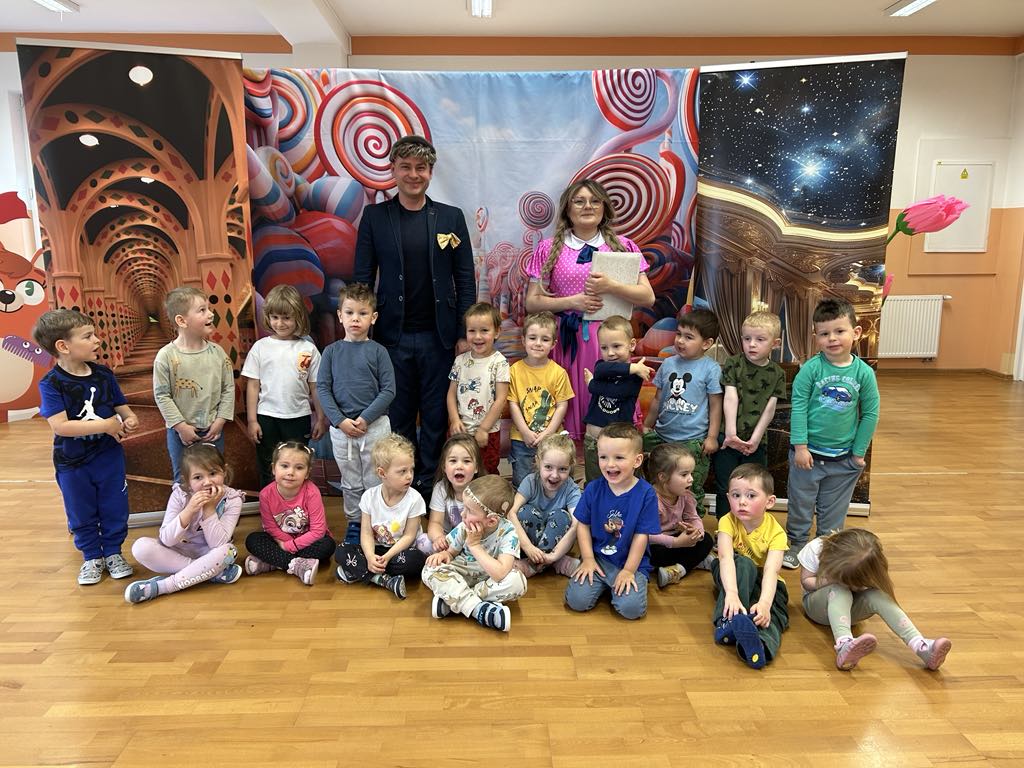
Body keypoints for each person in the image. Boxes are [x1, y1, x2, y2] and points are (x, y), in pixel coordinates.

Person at [353, 135, 475, 495]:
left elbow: (464, 279)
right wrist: (361, 332)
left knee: (436, 414)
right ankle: (403, 485)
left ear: (430, 172)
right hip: (391, 336)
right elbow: (362, 278)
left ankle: (431, 485)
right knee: (400, 415)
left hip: (440, 336)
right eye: (405, 167)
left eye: (420, 167)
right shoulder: (375, 217)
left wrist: (463, 333)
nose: (413, 174)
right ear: (393, 170)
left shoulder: (451, 217)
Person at [523, 179, 655, 440]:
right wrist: (573, 302)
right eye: (579, 201)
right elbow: (532, 303)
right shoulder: (548, 248)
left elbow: (648, 297)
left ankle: (609, 457)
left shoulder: (623, 246)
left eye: (595, 201)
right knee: (568, 403)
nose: (588, 206)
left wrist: (611, 286)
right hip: (566, 340)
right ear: (567, 208)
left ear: (604, 208)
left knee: (607, 402)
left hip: (607, 340)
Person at [34, 309, 138, 585]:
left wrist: (129, 418)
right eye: (88, 336)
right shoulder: (51, 383)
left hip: (109, 456)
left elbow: (120, 405)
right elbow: (61, 426)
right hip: (72, 462)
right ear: (63, 346)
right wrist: (106, 425)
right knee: (81, 510)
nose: (97, 340)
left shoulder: (103, 374)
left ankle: (113, 553)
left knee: (114, 506)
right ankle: (92, 556)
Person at [783, 298, 880, 569]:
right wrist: (800, 447)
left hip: (843, 459)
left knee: (834, 510)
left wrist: (858, 453)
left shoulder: (864, 373)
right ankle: (797, 544)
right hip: (807, 457)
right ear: (816, 337)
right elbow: (798, 407)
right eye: (824, 333)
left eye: (839, 331)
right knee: (801, 503)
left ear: (856, 332)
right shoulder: (810, 370)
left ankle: (825, 548)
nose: (832, 338)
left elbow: (870, 413)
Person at [799, 528, 951, 671]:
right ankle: (843, 644)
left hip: (849, 609)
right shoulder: (815, 549)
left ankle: (921, 647)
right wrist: (834, 580)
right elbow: (806, 581)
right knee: (840, 590)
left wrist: (859, 586)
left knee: (878, 595)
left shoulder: (867, 562)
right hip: (819, 606)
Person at [318, 283, 396, 538]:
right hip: (342, 429)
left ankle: (377, 523)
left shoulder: (379, 352)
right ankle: (354, 523)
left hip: (375, 427)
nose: (355, 319)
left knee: (375, 478)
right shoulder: (330, 352)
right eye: (349, 312)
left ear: (373, 317)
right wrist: (340, 421)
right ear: (340, 315)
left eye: (362, 313)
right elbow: (323, 389)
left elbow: (388, 390)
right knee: (351, 481)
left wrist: (365, 418)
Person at [565, 423, 660, 620]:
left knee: (631, 610)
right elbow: (582, 525)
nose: (610, 464)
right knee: (576, 601)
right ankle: (606, 586)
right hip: (598, 559)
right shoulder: (592, 489)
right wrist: (588, 559)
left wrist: (628, 571)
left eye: (619, 458)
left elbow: (641, 536)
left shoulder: (646, 494)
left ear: (637, 460)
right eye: (603, 457)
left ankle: (618, 587)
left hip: (630, 562)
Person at [125, 444, 243, 603]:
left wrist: (209, 509)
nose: (207, 482)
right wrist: (189, 510)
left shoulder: (233, 499)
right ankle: (210, 573)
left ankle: (163, 587)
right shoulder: (179, 495)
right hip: (180, 552)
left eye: (213, 473)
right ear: (187, 481)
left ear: (224, 471)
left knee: (229, 551)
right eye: (198, 477)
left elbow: (218, 544)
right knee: (140, 547)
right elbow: (166, 540)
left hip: (211, 553)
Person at [242, 284, 327, 489]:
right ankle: (269, 507)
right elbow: (253, 386)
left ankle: (295, 505)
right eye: (275, 317)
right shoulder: (260, 347)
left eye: (286, 317)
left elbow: (316, 387)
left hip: (298, 417)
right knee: (268, 466)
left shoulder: (308, 349)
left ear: (298, 316)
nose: (280, 323)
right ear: (268, 317)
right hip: (266, 417)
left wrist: (321, 418)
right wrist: (252, 420)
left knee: (297, 465)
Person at [642, 308, 723, 518]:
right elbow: (658, 398)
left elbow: (716, 405)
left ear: (706, 343)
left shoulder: (711, 368)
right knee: (657, 482)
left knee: (690, 488)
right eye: (679, 334)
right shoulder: (668, 363)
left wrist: (712, 437)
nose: (680, 341)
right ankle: (659, 521)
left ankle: (692, 525)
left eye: (689, 337)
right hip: (662, 436)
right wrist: (647, 425)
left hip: (692, 441)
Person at [422, 475, 527, 632]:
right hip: (462, 572)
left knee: (518, 582)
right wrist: (444, 555)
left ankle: (454, 601)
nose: (463, 514)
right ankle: (478, 609)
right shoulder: (464, 526)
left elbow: (500, 573)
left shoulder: (509, 533)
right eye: (464, 507)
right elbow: (451, 553)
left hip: (488, 579)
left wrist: (475, 545)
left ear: (491, 521)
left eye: (469, 510)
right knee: (429, 569)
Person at [153, 287, 234, 485]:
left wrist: (220, 420)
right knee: (184, 480)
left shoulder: (218, 353)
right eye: (202, 310)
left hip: (213, 430)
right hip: (179, 433)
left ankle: (215, 507)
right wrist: (181, 427)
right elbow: (162, 395)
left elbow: (228, 388)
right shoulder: (165, 356)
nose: (211, 314)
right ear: (182, 321)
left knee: (215, 475)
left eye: (209, 308)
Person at [712, 463, 789, 669]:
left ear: (769, 501)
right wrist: (731, 593)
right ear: (728, 498)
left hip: (765, 580)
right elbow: (725, 558)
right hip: (733, 573)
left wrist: (764, 604)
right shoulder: (727, 521)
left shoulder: (777, 534)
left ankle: (760, 646)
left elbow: (771, 571)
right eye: (735, 495)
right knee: (744, 564)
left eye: (751, 496)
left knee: (772, 612)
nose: (742, 502)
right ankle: (727, 621)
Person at [712, 310, 786, 519]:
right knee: (725, 486)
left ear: (775, 343)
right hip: (728, 438)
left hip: (756, 442)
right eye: (747, 339)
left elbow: (770, 409)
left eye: (760, 339)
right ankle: (724, 528)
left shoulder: (778, 373)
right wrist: (731, 434)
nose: (752, 344)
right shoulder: (734, 363)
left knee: (754, 487)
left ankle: (749, 526)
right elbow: (730, 397)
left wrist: (755, 440)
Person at [334, 434, 428, 599]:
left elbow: (409, 536)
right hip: (375, 549)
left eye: (411, 469)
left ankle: (359, 573)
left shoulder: (415, 499)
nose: (409, 476)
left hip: (399, 552)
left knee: (416, 561)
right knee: (341, 551)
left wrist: (387, 557)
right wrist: (370, 556)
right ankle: (384, 580)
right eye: (402, 471)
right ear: (382, 473)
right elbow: (366, 533)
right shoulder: (369, 497)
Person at [244, 441, 335, 585]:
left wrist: (289, 546)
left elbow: (318, 530)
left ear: (307, 473)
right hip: (280, 540)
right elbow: (270, 528)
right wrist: (285, 542)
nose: (290, 472)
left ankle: (273, 562)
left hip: (306, 541)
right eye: (284, 466)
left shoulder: (312, 492)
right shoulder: (265, 494)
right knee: (252, 540)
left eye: (299, 468)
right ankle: (297, 565)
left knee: (327, 546)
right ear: (274, 469)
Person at [581, 314, 653, 483]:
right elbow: (601, 370)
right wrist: (632, 367)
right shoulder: (602, 366)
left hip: (618, 446)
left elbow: (618, 392)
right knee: (594, 484)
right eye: (604, 348)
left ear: (632, 345)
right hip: (593, 442)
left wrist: (592, 385)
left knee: (620, 484)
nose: (610, 353)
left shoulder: (636, 376)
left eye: (616, 346)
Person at [506, 311, 574, 488]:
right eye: (532, 338)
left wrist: (548, 433)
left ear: (553, 344)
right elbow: (513, 403)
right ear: (523, 340)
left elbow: (562, 405)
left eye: (545, 339)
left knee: (553, 480)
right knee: (523, 481)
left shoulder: (558, 373)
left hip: (552, 440)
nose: (538, 343)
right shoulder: (514, 371)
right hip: (522, 439)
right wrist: (525, 431)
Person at [446, 302, 510, 475]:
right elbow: (451, 394)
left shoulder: (500, 363)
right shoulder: (460, 361)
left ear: (497, 332)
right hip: (461, 430)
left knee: (486, 472)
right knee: (459, 471)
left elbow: (501, 400)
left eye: (484, 330)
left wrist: (483, 429)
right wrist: (454, 420)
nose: (477, 336)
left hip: (487, 432)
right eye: (472, 331)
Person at [506, 433, 582, 578]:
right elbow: (511, 513)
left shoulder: (571, 489)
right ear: (538, 462)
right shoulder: (530, 481)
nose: (554, 475)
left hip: (557, 546)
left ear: (570, 467)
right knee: (524, 512)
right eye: (548, 467)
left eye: (562, 469)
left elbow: (576, 524)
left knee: (563, 516)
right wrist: (528, 547)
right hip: (528, 546)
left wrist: (554, 556)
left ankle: (536, 565)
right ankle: (558, 563)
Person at [645, 443, 716, 589]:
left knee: (706, 539)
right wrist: (676, 542)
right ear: (663, 477)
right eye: (684, 475)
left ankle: (679, 569)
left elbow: (693, 517)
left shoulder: (685, 495)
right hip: (655, 544)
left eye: (691, 473)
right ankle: (693, 563)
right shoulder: (650, 500)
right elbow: (646, 535)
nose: (691, 479)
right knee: (654, 554)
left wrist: (696, 532)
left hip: (677, 539)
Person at [426, 433, 482, 552]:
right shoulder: (441, 488)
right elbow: (435, 522)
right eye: (453, 461)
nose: (459, 466)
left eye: (466, 461)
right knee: (424, 542)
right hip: (448, 541)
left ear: (476, 467)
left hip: (475, 541)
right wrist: (438, 538)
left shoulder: (483, 490)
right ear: (444, 467)